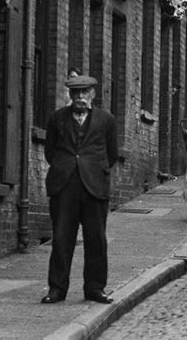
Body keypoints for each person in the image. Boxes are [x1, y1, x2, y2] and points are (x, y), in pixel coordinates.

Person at [41, 75, 118, 305]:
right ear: (70, 95)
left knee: (96, 239)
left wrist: (94, 169)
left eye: (85, 93)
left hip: (94, 186)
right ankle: (57, 289)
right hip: (64, 187)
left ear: (93, 94)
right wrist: (65, 168)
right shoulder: (57, 118)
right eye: (76, 93)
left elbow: (111, 154)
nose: (80, 97)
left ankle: (95, 289)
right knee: (62, 238)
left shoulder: (106, 120)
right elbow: (50, 152)